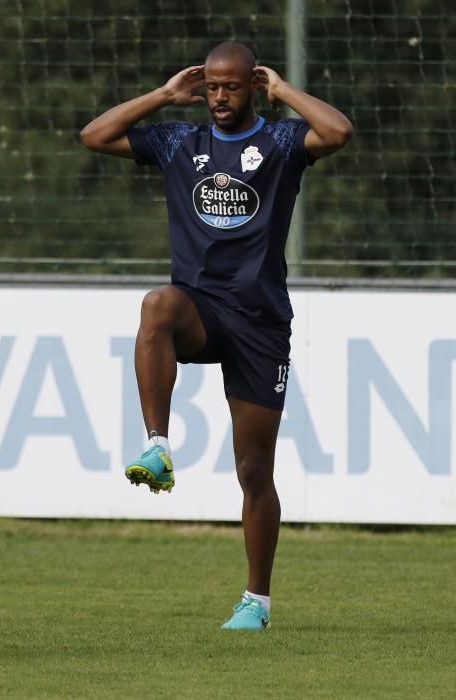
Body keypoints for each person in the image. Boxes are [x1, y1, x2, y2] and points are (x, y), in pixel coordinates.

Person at [80, 41, 352, 630]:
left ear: (253, 86)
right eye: (211, 88)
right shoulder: (180, 140)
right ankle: (157, 445)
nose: (220, 98)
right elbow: (93, 137)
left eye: (232, 87)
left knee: (254, 469)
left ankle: (257, 601)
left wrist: (284, 92)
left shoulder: (280, 142)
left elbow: (337, 132)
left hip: (259, 321)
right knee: (157, 306)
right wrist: (160, 96)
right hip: (199, 309)